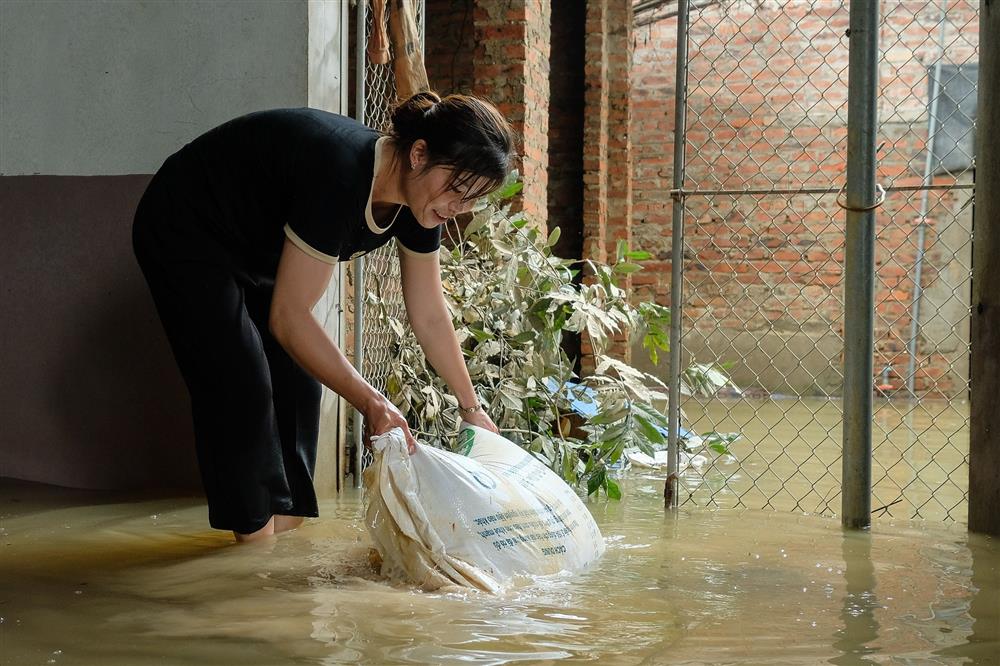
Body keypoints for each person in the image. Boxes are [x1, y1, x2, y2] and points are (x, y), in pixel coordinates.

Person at [132, 91, 515, 543]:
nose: (458, 208)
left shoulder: (422, 203)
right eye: (456, 189)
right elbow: (289, 318)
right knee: (241, 385)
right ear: (418, 154)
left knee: (299, 385)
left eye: (472, 200)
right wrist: (374, 403)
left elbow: (429, 314)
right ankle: (251, 565)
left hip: (255, 245)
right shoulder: (339, 173)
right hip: (186, 227)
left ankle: (283, 539)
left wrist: (472, 409)